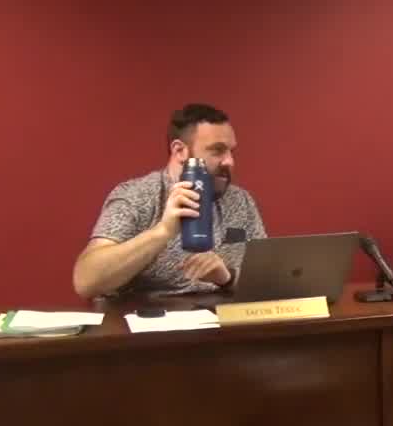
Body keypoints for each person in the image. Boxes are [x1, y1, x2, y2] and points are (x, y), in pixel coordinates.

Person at [72, 103, 266, 299]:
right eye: (217, 150)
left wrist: (228, 278)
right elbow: (86, 282)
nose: (229, 161)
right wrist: (163, 231)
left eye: (231, 151)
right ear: (180, 150)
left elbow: (267, 281)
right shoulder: (137, 196)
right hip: (152, 315)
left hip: (222, 315)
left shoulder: (240, 200)